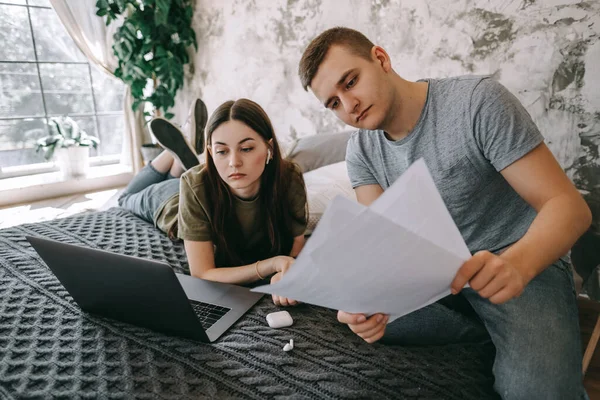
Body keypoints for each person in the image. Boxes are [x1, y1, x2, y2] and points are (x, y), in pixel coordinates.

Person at [298, 27, 592, 398]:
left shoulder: (478, 102)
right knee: (345, 309)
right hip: (435, 279)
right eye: (334, 103)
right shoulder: (361, 150)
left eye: (351, 82)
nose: (349, 105)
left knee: (538, 393)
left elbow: (569, 208)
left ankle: (504, 335)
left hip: (518, 263)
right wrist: (367, 303)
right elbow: (384, 249)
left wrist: (518, 264)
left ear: (381, 59)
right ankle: (491, 335)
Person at [118, 98, 308, 306]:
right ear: (210, 152)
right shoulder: (194, 185)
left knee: (187, 177)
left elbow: (297, 242)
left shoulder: (289, 177)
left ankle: (179, 160)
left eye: (246, 149)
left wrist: (287, 272)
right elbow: (202, 273)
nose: (234, 162)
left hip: (201, 185)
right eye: (222, 151)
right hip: (169, 200)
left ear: (268, 148)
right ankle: (170, 154)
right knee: (124, 198)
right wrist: (271, 265)